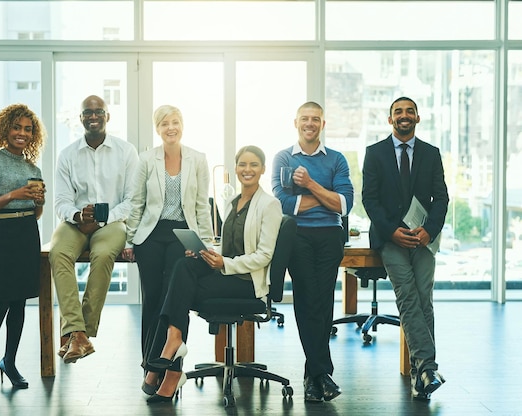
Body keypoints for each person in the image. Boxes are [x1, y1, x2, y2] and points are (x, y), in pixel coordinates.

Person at [142, 145, 282, 403]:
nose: (247, 170)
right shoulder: (231, 203)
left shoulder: (270, 205)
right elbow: (227, 247)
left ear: (262, 170)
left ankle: (165, 363)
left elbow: (264, 255)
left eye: (253, 165)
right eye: (242, 165)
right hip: (228, 273)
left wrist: (224, 264)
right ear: (236, 169)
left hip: (248, 282)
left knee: (180, 290)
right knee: (184, 266)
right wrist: (207, 253)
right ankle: (173, 341)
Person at [121, 105, 213, 393]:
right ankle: (150, 367)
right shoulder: (147, 159)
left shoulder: (198, 159)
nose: (170, 127)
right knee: (152, 300)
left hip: (182, 235)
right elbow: (136, 202)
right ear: (157, 129)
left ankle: (172, 371)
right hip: (151, 234)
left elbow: (201, 205)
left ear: (182, 125)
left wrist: (205, 244)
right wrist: (129, 240)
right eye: (164, 123)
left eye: (175, 122)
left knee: (175, 300)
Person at [362, 97, 449, 400]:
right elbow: (369, 199)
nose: (404, 115)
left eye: (409, 111)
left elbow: (442, 198)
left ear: (417, 118)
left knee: (424, 298)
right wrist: (391, 231)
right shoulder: (374, 153)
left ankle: (421, 375)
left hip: (423, 239)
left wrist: (429, 231)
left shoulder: (431, 153)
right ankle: (427, 368)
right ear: (390, 120)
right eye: (398, 111)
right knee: (408, 295)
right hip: (390, 239)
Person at [272, 101, 354, 403]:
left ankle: (314, 376)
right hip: (298, 235)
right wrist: (326, 195)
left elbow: (345, 205)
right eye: (305, 119)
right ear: (296, 123)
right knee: (307, 299)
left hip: (331, 235)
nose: (310, 123)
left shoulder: (337, 159)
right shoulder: (283, 157)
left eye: (316, 119)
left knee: (323, 301)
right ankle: (321, 373)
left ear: (323, 124)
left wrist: (308, 185)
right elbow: (283, 204)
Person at [50, 95, 138, 364]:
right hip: (75, 224)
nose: (93, 116)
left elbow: (132, 200)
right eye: (87, 112)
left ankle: (78, 332)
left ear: (107, 116)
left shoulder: (126, 151)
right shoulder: (67, 155)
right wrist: (78, 216)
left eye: (99, 111)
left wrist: (103, 218)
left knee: (102, 256)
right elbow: (61, 201)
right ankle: (78, 333)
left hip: (111, 223)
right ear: (81, 118)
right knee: (58, 253)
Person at [0, 104, 47, 389]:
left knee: (19, 302)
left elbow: (36, 212)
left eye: (27, 129)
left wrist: (39, 202)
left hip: (27, 232)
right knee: (1, 302)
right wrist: (15, 194)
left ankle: (10, 361)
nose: (21, 133)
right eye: (16, 127)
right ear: (5, 129)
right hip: (2, 233)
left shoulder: (34, 168)